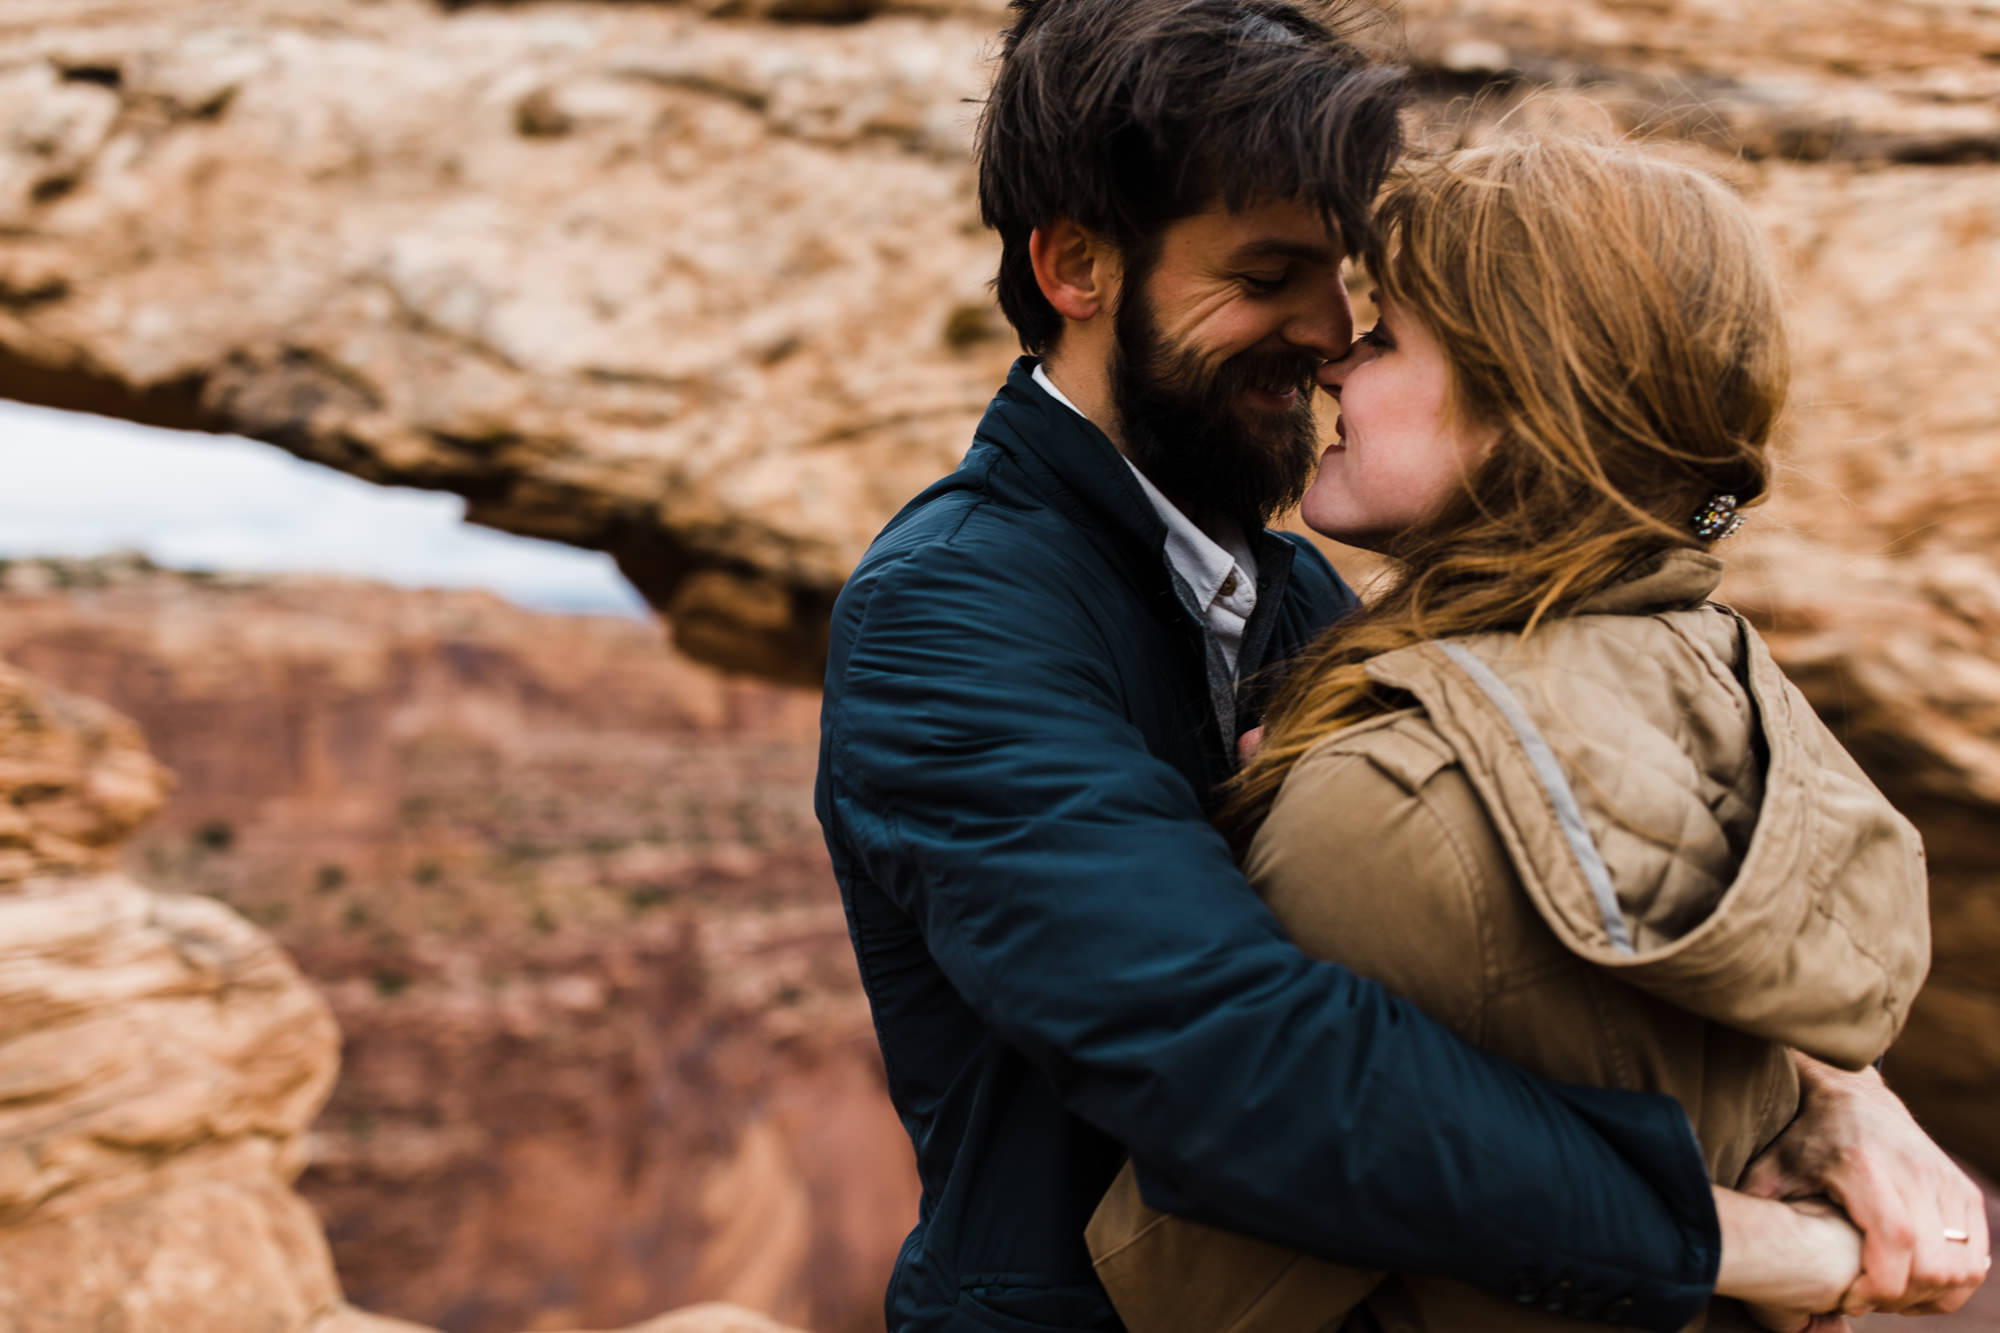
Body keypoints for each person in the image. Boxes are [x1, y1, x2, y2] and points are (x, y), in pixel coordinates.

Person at [812, 3, 1989, 1332]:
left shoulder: (1302, 588)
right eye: (1265, 279)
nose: (1326, 335)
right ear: (1078, 266)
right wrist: (1768, 1248)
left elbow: (1591, 885)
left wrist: (1845, 1099)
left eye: (1344, 283)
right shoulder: (951, 612)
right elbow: (1244, 1062)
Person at [1082, 133, 1991, 1333]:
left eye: (1387, 336)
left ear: (1522, 414)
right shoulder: (1711, 672)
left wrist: (1266, 845)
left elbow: (1180, 1289)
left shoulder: (1392, 799)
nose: (1330, 369)